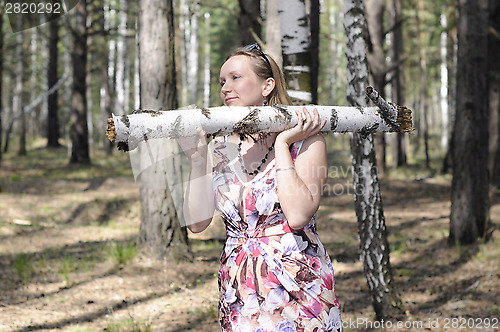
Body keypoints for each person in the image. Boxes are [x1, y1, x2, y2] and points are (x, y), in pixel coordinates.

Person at [181, 43, 342, 332]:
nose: (225, 88)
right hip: (240, 288)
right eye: (222, 81)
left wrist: (282, 144)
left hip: (297, 283)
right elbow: (196, 223)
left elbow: (298, 216)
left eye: (235, 78)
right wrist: (196, 160)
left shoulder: (306, 141)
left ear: (267, 86)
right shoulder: (219, 147)